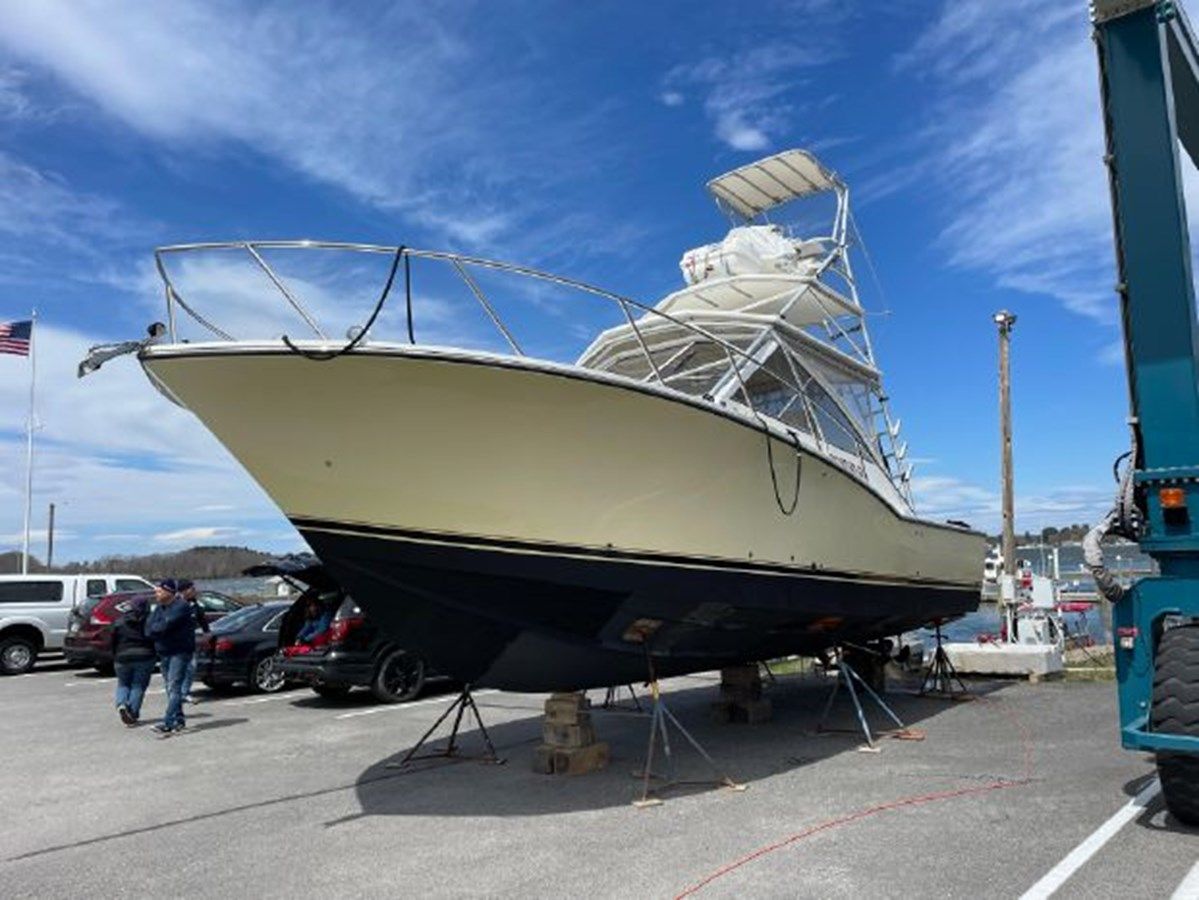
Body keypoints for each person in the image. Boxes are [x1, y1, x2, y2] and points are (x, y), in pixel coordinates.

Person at [145, 579, 199, 735]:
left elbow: (165, 626)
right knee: (170, 688)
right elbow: (148, 628)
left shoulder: (181, 607)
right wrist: (156, 629)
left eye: (159, 591)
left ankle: (168, 723)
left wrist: (158, 628)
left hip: (179, 652)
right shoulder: (159, 608)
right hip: (164, 652)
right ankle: (179, 720)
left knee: (174, 687)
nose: (156, 594)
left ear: (169, 592)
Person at [111, 596, 156, 726]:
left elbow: (113, 640)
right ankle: (132, 712)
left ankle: (122, 704)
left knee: (123, 684)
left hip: (122, 656)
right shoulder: (149, 621)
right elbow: (154, 638)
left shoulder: (119, 621)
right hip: (145, 656)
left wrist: (115, 654)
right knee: (138, 685)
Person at [177, 581, 208, 704]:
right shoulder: (175, 603)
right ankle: (176, 693)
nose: (194, 590)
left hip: (190, 640)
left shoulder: (194, 604)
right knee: (177, 668)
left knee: (191, 667)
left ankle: (184, 693)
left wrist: (207, 632)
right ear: (184, 590)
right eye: (191, 588)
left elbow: (202, 619)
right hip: (175, 641)